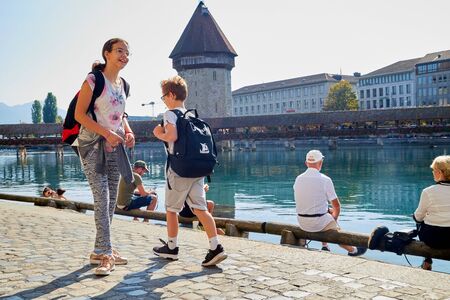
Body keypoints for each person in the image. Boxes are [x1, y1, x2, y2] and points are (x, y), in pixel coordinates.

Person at [152, 75, 227, 266]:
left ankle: (171, 248)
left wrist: (157, 132)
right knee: (201, 210)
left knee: (171, 209)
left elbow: (172, 135)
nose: (163, 101)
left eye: (163, 97)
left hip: (179, 169)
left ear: (170, 95)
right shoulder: (192, 116)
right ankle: (215, 247)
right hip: (198, 170)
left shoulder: (170, 114)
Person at [74, 38, 134, 276]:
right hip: (92, 146)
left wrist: (127, 131)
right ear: (107, 53)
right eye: (120, 51)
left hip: (114, 147)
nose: (125, 56)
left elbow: (121, 114)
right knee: (102, 197)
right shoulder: (93, 80)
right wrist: (106, 133)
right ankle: (106, 254)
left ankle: (101, 249)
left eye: (128, 53)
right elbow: (80, 114)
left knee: (109, 201)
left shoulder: (124, 85)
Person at [294, 150, 366, 256]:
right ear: (320, 163)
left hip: (302, 222)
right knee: (333, 221)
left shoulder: (298, 179)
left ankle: (325, 246)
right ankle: (353, 250)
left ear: (306, 163)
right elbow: (337, 205)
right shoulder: (325, 180)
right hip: (317, 222)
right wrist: (334, 219)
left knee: (327, 211)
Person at [413, 155, 450, 270]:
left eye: (433, 170)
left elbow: (418, 217)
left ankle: (427, 260)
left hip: (432, 239)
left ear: (439, 172)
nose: (433, 173)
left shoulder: (428, 192)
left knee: (420, 221)